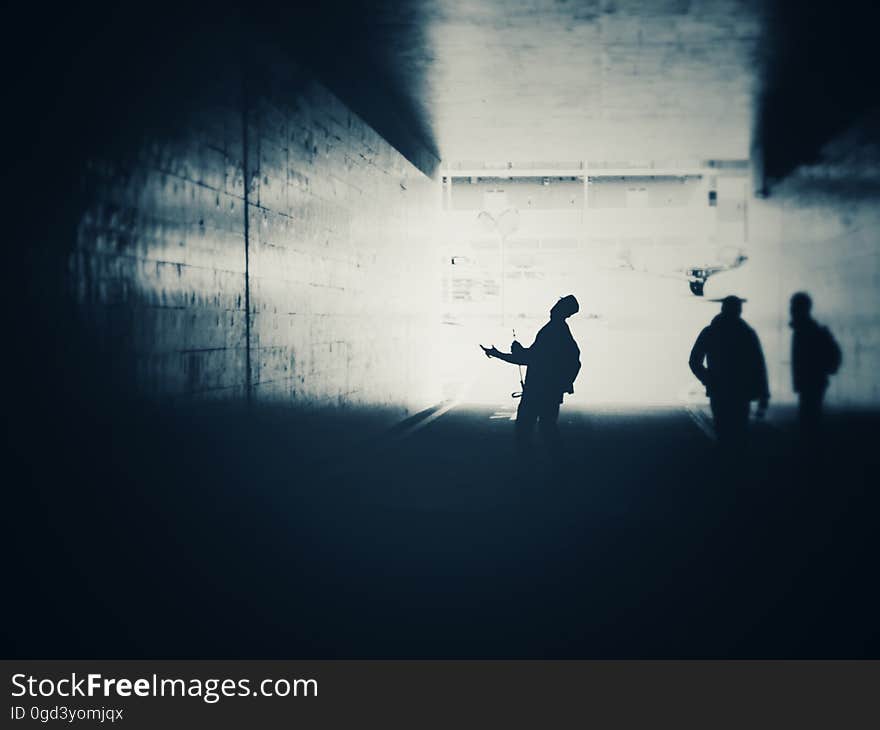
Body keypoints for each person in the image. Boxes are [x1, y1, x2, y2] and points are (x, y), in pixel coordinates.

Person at [481, 295, 581, 456]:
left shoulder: (552, 331)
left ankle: (530, 468)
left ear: (563, 310)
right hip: (550, 392)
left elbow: (532, 359)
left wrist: (503, 353)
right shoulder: (560, 331)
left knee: (526, 429)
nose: (553, 306)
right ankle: (556, 467)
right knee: (547, 428)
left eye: (558, 304)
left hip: (538, 391)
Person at [689, 295, 769, 451]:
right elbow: (759, 366)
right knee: (740, 433)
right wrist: (763, 395)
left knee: (723, 432)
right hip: (741, 392)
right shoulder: (747, 333)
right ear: (738, 311)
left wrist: (708, 379)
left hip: (718, 391)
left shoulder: (710, 332)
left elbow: (694, 361)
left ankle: (724, 466)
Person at [789, 292, 841, 438]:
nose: (791, 310)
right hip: (814, 382)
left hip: (810, 383)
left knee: (809, 419)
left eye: (793, 306)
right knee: (811, 417)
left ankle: (810, 451)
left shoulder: (805, 331)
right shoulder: (809, 329)